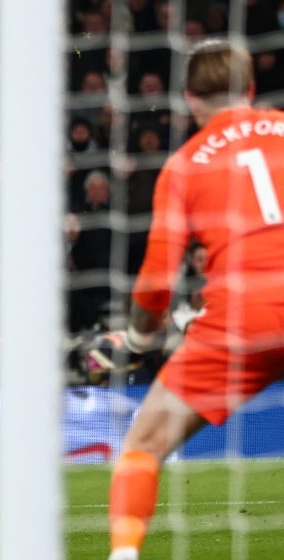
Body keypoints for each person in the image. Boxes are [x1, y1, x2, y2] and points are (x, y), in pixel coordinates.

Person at [90, 39, 284, 560]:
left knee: (142, 447)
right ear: (250, 89)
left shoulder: (185, 165)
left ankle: (124, 555)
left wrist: (139, 340)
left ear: (190, 98)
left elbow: (157, 280)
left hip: (242, 318)